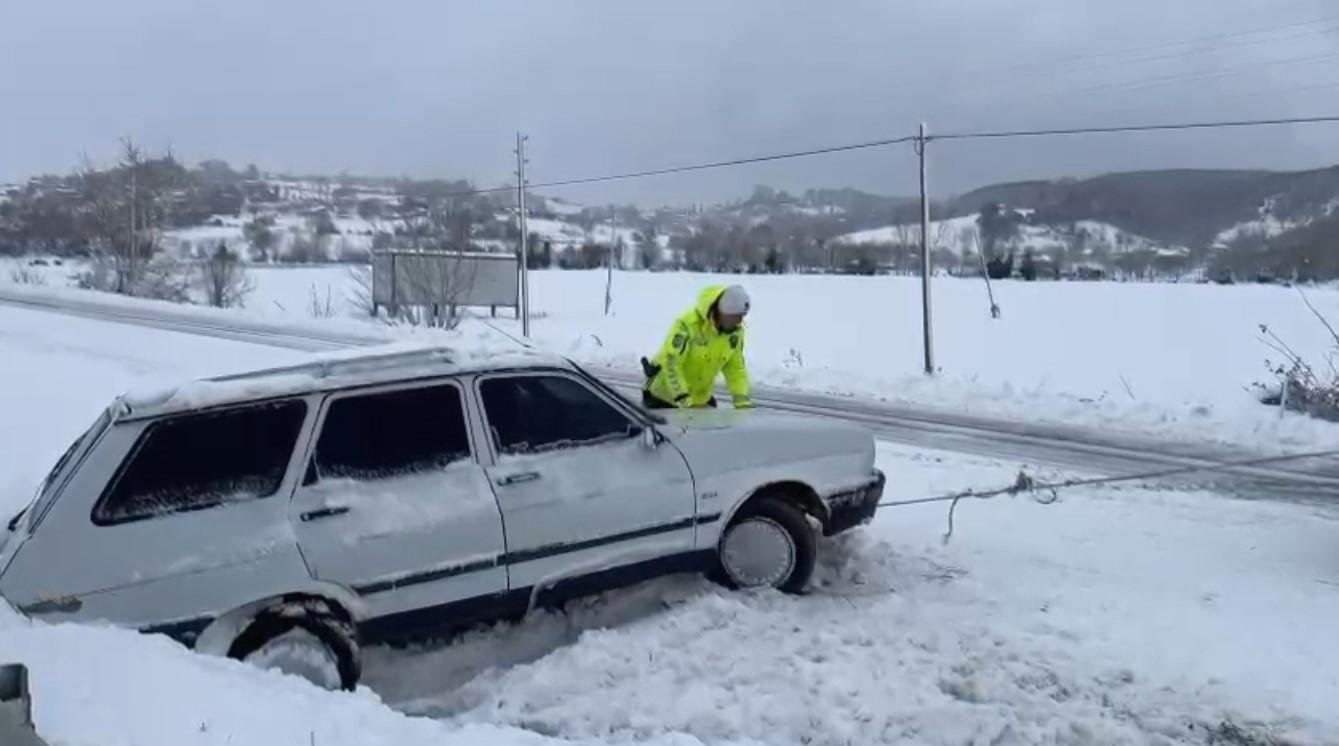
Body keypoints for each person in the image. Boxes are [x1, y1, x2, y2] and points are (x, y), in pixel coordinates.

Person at [642, 284, 753, 410]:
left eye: (742, 316)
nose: (739, 321)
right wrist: (682, 398)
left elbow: (735, 369)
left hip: (697, 400)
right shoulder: (687, 325)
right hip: (663, 397)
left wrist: (742, 403)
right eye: (735, 316)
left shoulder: (734, 334)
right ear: (722, 311)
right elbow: (672, 363)